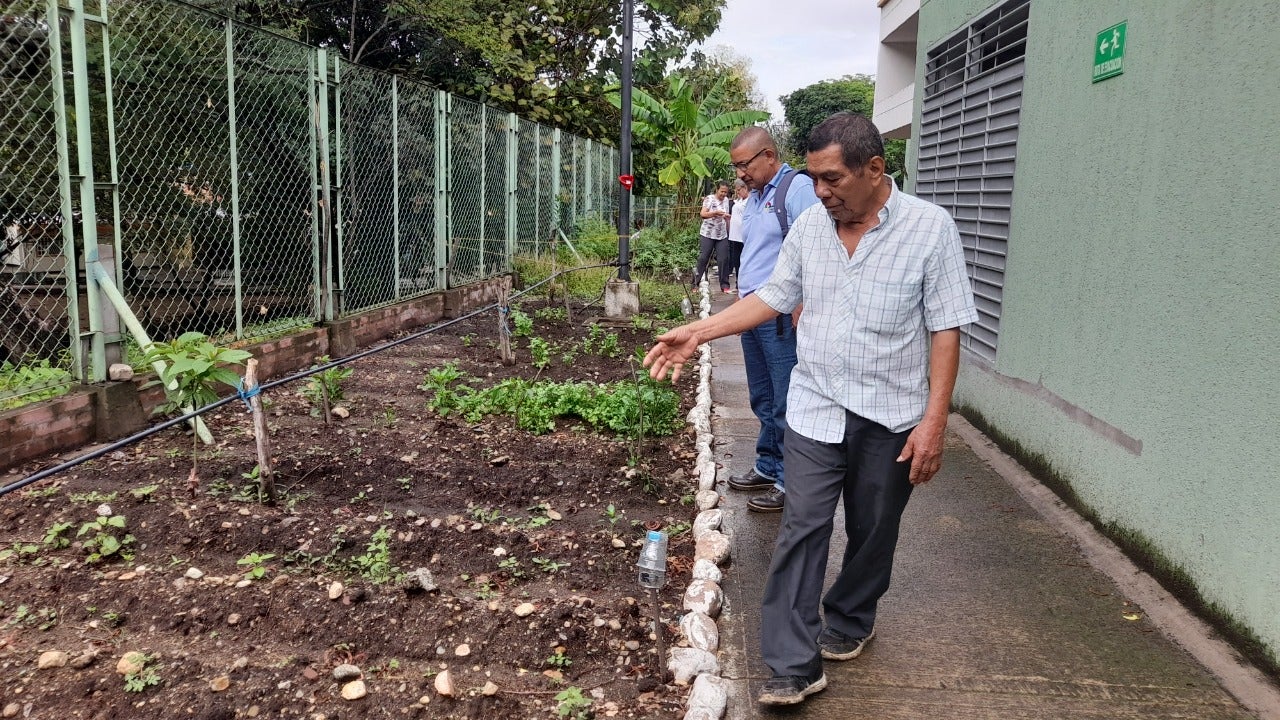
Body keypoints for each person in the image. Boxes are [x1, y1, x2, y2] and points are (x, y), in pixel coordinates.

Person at [644, 112, 977, 706]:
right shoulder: (812, 228)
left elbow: (946, 328)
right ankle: (792, 665)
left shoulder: (931, 229)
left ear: (874, 170)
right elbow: (774, 296)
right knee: (802, 527)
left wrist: (935, 421)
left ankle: (850, 614)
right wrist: (702, 331)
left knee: (875, 529)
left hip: (890, 411)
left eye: (831, 179)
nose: (819, 191)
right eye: (814, 178)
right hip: (815, 405)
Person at [723, 127, 820, 513]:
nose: (740, 174)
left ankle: (787, 481)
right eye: (736, 168)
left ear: (767, 155)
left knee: (784, 401)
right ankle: (768, 465)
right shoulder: (758, 196)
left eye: (744, 165)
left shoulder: (796, 189)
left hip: (779, 315)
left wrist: (801, 301)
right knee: (762, 397)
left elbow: (816, 246)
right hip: (753, 312)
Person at [692, 182, 731, 292]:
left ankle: (725, 285)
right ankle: (695, 284)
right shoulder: (709, 199)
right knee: (703, 258)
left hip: (722, 234)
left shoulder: (727, 200)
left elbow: (724, 215)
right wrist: (715, 213)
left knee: (723, 259)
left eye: (725, 192)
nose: (723, 194)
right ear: (717, 190)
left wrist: (726, 218)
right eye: (722, 191)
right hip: (708, 233)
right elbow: (703, 214)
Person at [724, 180, 748, 288]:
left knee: (744, 260)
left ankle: (744, 282)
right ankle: (739, 281)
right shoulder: (739, 200)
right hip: (734, 235)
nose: (737, 192)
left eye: (739, 190)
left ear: (745, 188)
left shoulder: (750, 201)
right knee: (736, 260)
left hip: (743, 236)